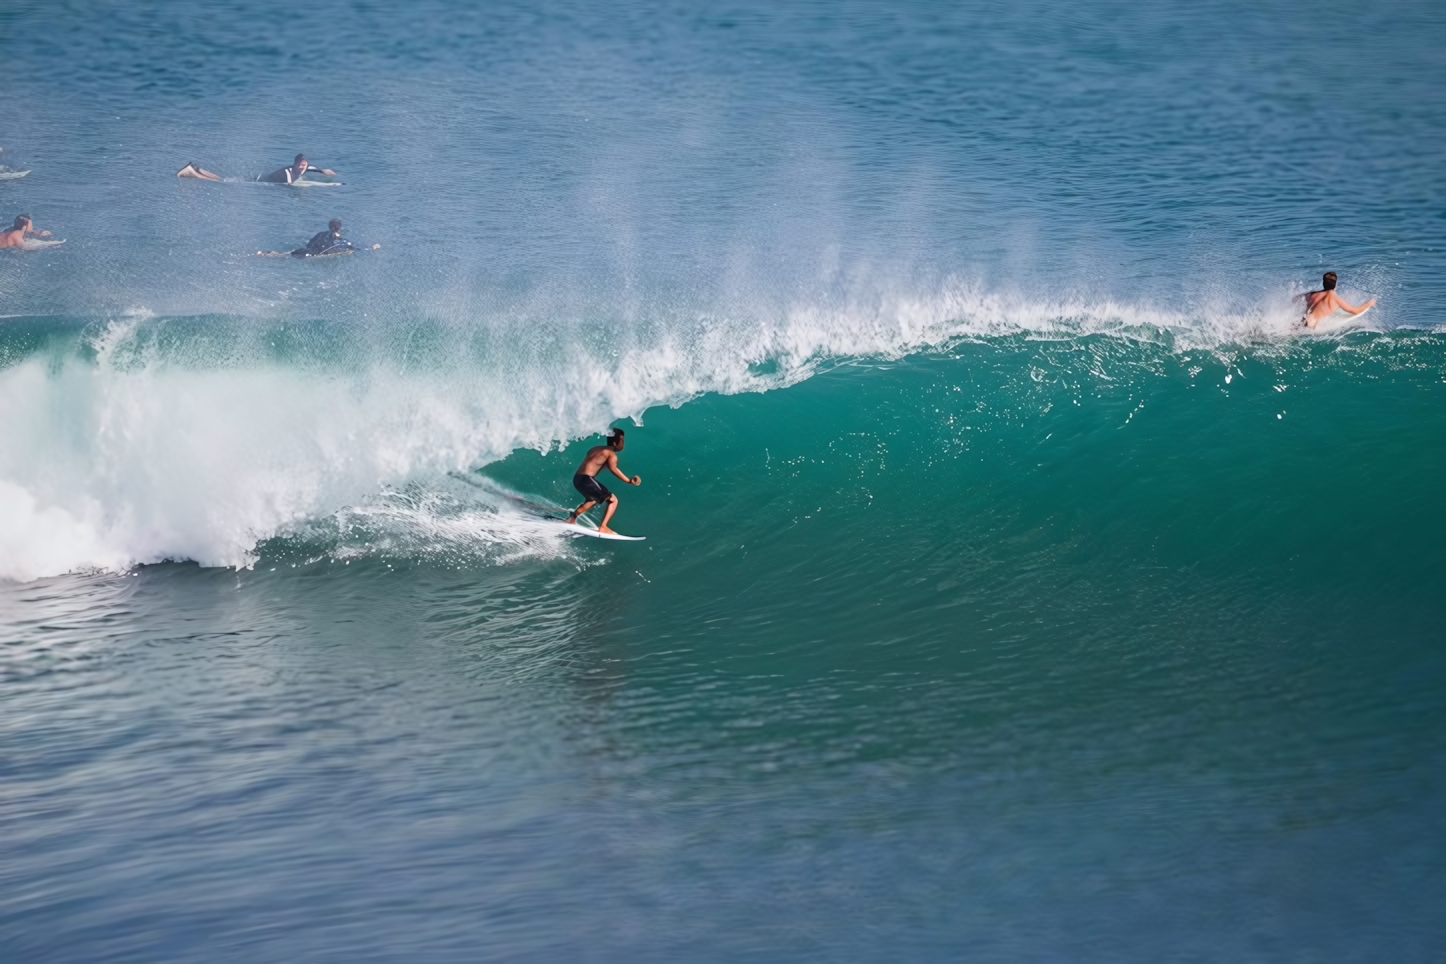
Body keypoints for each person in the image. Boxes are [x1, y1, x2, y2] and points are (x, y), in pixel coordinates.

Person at [566, 428, 641, 534]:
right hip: (587, 480)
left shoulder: (595, 449)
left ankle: (571, 519)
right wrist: (628, 480)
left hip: (578, 478)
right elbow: (613, 469)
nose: (623, 444)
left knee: (591, 500)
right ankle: (603, 527)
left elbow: (596, 463)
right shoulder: (611, 454)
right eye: (622, 441)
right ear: (615, 443)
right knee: (613, 500)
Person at [256, 219, 380, 257]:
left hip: (306, 251)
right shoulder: (343, 241)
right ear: (339, 228)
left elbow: (309, 244)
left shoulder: (321, 234)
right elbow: (355, 248)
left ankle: (265, 254)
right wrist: (371, 247)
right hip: (315, 255)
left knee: (285, 254)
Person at [1299, 272, 1376, 328]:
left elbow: (1295, 300)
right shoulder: (1332, 296)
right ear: (1335, 284)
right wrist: (1368, 304)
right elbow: (1355, 311)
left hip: (1302, 322)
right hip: (1311, 326)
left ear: (1323, 283)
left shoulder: (1312, 294)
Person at [257, 153, 336, 184]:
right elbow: (288, 183)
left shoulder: (305, 167)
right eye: (300, 165)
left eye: (304, 164)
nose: (303, 167)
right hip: (269, 180)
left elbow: (312, 168)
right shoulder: (288, 172)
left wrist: (322, 171)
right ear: (296, 164)